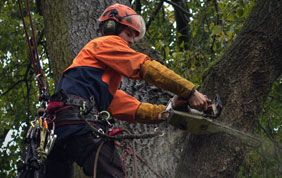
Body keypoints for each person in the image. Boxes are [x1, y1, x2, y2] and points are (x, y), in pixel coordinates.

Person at [45, 3, 210, 178]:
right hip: (78, 123)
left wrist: (167, 110)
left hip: (58, 130)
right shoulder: (105, 43)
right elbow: (147, 68)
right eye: (129, 33)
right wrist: (191, 92)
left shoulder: (94, 85)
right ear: (111, 28)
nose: (131, 41)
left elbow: (132, 108)